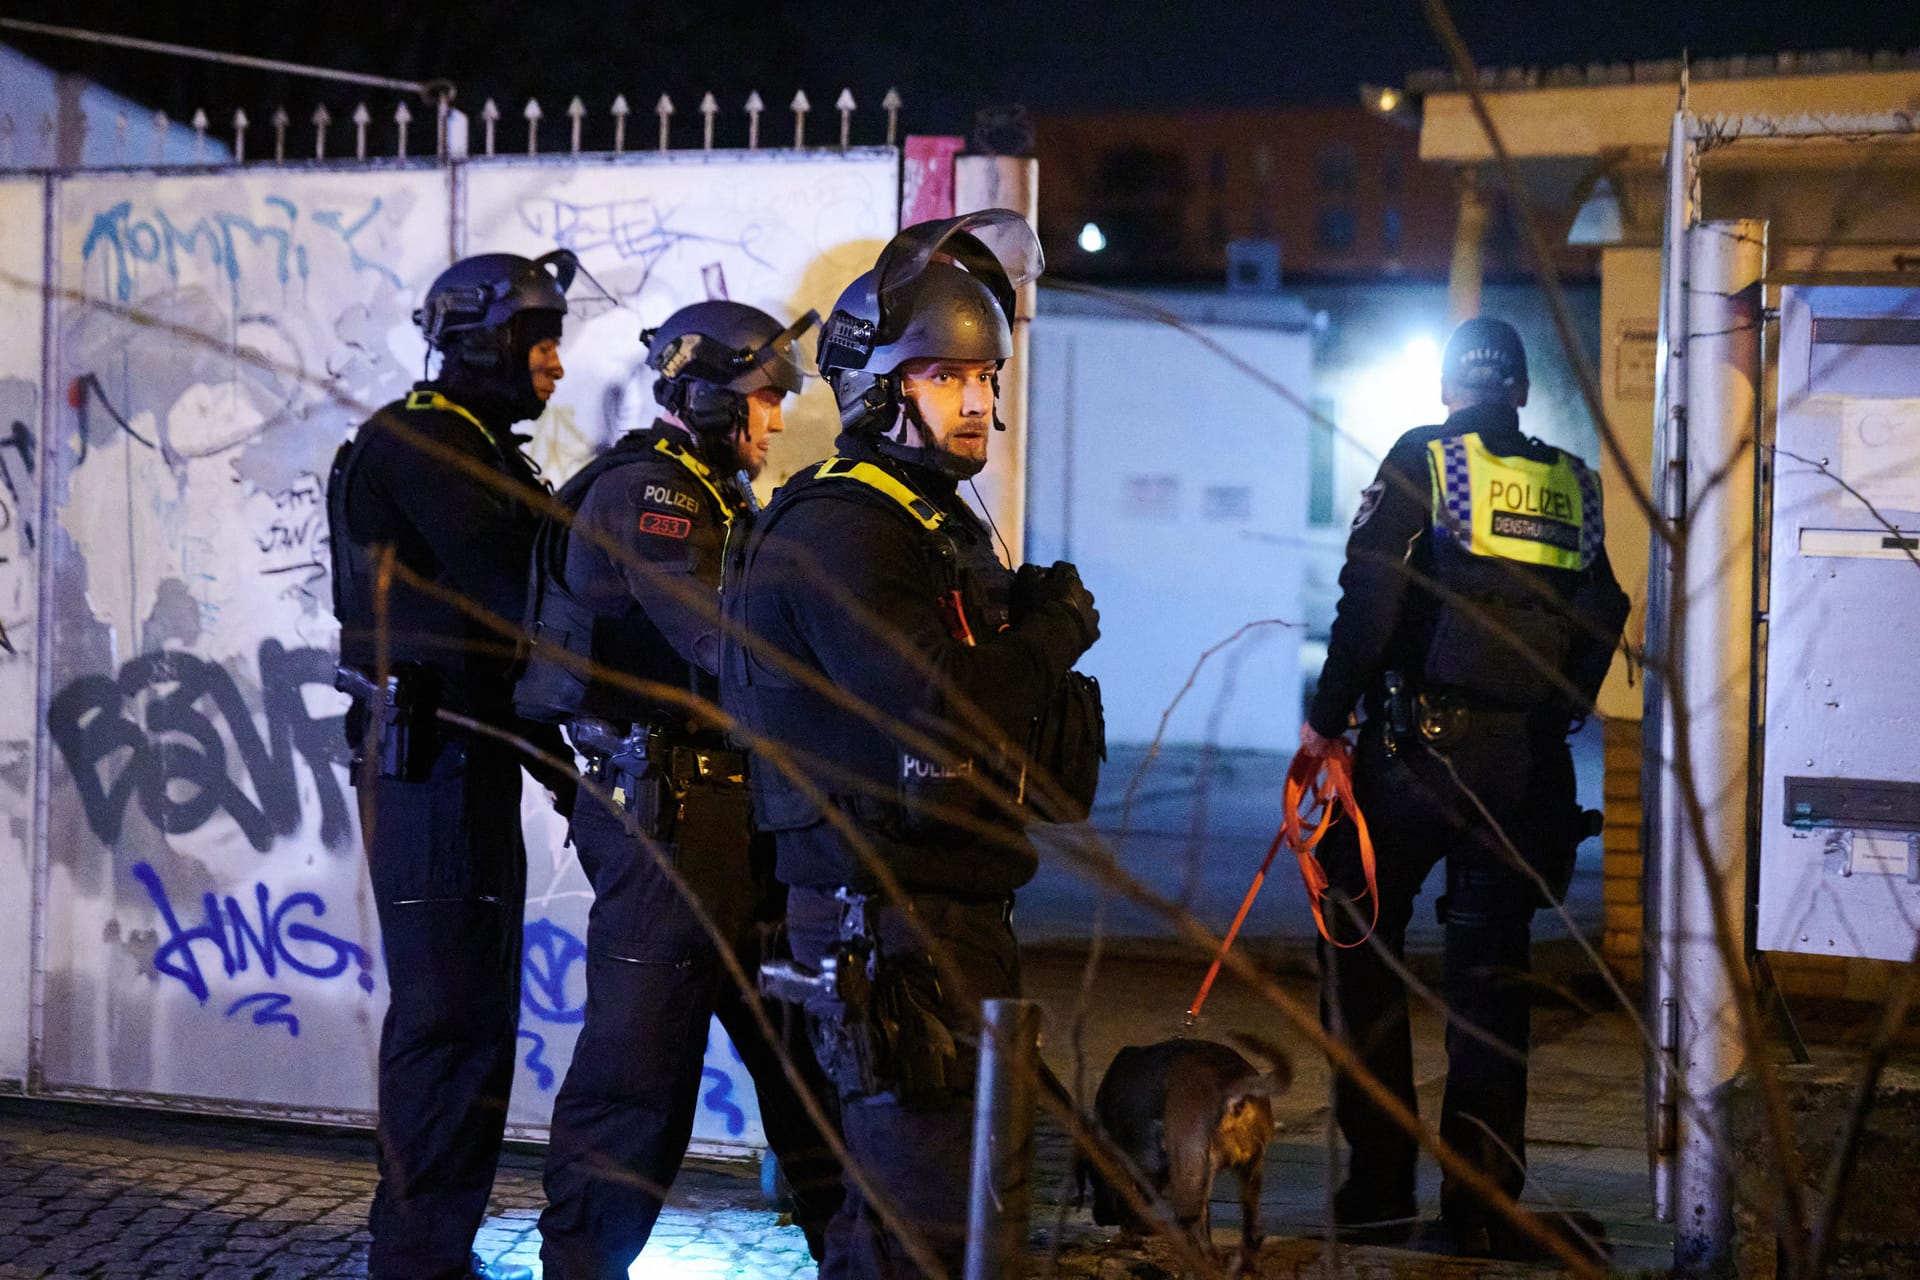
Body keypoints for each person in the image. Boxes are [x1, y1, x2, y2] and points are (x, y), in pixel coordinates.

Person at [722, 211, 1102, 1279]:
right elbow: (947, 703)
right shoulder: (848, 527)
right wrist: (1054, 631)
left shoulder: (925, 523)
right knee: (921, 1229)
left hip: (943, 914)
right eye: (946, 377)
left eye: (986, 377)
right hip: (886, 929)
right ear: (883, 389)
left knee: (934, 1221)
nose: (980, 399)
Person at [520, 300, 845, 1274]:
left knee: (807, 1064)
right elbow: (722, 641)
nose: (776, 418)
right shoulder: (651, 494)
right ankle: (581, 1263)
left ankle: (867, 1256)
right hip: (668, 818)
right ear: (704, 395)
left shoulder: (708, 489)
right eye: (762, 398)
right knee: (638, 1068)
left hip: (734, 814)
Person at [1300, 316, 1629, 1258]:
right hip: (1524, 768)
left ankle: (1375, 1187)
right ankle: (1481, 1203)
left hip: (1415, 756)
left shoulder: (1428, 460)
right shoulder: (1571, 483)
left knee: (1356, 933)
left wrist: (1327, 722)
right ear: (1521, 391)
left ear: (1449, 388)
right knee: (1493, 976)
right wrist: (1558, 706)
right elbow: (1606, 605)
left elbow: (1369, 601)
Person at [327, 250, 583, 1280]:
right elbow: (518, 582)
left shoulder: (477, 445)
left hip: (468, 761)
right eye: (541, 342)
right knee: (447, 1016)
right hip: (429, 763)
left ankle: (435, 1244)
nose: (556, 366)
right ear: (483, 341)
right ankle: (419, 1256)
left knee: (475, 1018)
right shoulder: (424, 440)